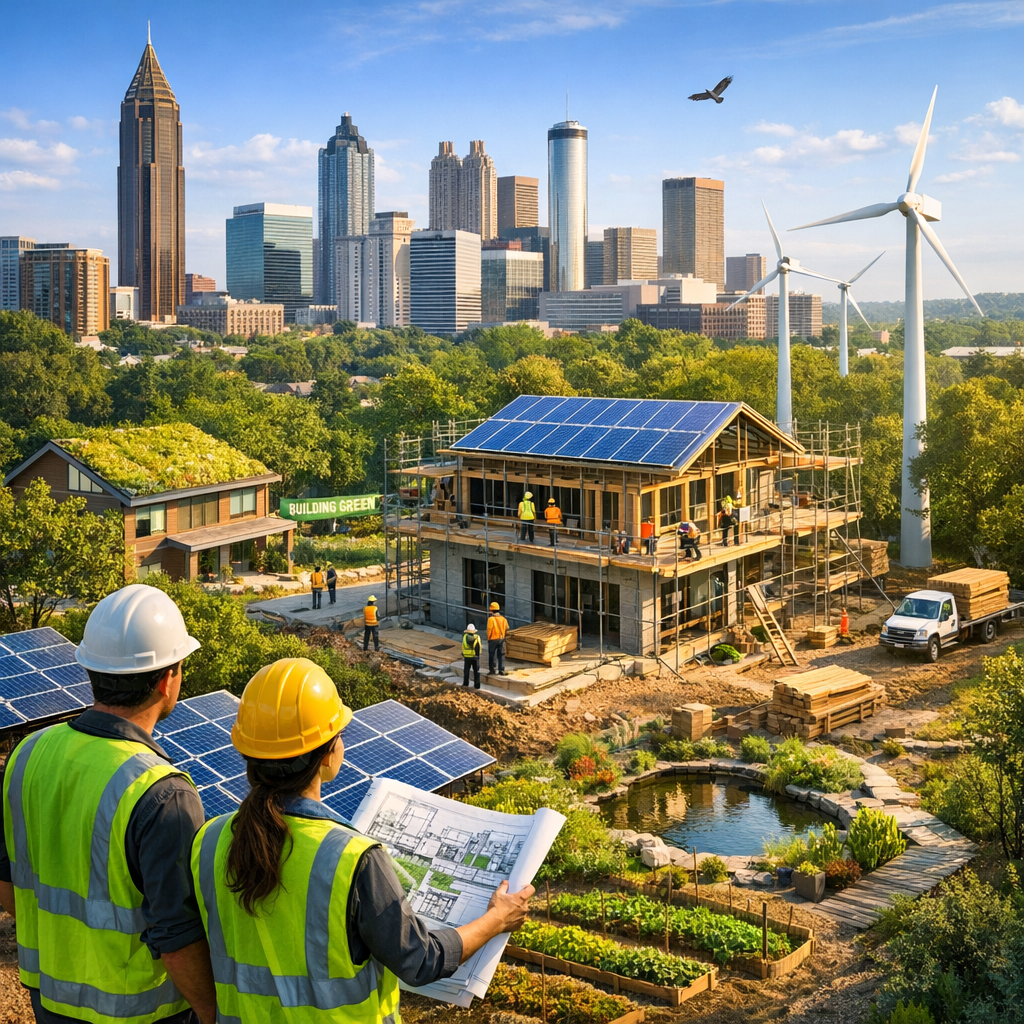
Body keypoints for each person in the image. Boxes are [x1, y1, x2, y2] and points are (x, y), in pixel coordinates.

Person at [191, 658, 534, 1023]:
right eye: (338, 734)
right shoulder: (353, 859)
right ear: (327, 754)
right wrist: (497, 919)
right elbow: (421, 960)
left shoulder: (208, 841)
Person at [0, 584, 217, 1024]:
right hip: (138, 1013)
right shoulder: (163, 793)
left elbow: (7, 885)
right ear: (167, 679)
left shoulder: (28, 754)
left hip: (50, 1000)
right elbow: (177, 938)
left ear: (91, 671)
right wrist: (214, 1014)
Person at [487, 602, 509, 675]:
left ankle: (492, 670)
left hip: (493, 639)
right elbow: (507, 628)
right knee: (501, 655)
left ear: (491, 610)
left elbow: (489, 630)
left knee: (491, 655)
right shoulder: (503, 619)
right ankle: (501, 669)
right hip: (502, 639)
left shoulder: (491, 619)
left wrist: (488, 639)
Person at [462, 623, 482, 689]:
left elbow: (463, 646)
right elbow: (479, 647)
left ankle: (465, 683)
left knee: (466, 671)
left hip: (467, 657)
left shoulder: (465, 637)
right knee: (476, 671)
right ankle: (477, 685)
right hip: (475, 657)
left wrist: (463, 653)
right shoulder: (477, 637)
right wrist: (478, 655)